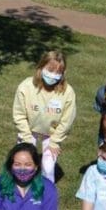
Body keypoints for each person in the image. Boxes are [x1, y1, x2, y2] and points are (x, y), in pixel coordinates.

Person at [12, 50, 77, 182]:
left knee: (48, 166)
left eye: (58, 72)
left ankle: (47, 191)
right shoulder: (26, 86)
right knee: (24, 163)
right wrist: (26, 137)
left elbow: (67, 120)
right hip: (29, 129)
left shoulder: (68, 92)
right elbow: (19, 114)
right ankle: (21, 186)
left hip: (52, 133)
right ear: (41, 67)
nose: (53, 75)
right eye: (50, 70)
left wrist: (55, 141)